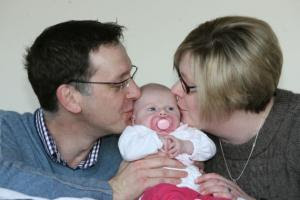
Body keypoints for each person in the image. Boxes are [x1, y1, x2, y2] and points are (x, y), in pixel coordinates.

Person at [0, 20, 187, 199]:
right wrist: (112, 191)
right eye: (119, 83)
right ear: (71, 98)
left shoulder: (139, 142)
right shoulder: (7, 129)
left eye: (130, 76)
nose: (136, 92)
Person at [171, 15, 300, 200]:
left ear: (232, 96)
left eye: (187, 85)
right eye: (179, 78)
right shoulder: (188, 136)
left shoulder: (295, 128)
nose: (174, 90)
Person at [119, 83, 224, 200]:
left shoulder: (185, 131)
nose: (163, 112)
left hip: (197, 190)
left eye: (170, 108)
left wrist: (185, 146)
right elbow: (129, 152)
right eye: (152, 109)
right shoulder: (136, 133)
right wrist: (158, 141)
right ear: (134, 119)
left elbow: (209, 149)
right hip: (159, 191)